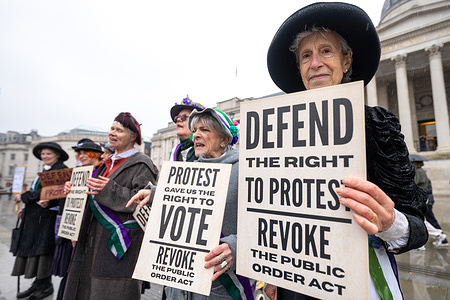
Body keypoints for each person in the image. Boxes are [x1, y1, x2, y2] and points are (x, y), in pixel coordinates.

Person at [265, 2, 428, 299]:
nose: (315, 63)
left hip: (361, 281)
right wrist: (268, 268)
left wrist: (391, 223)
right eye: (305, 55)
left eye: (326, 51)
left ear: (347, 59)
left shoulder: (378, 127)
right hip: (294, 285)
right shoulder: (277, 134)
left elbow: (417, 226)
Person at [127, 108, 251, 299]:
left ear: (224, 140)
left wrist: (234, 245)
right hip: (180, 285)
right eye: (195, 130)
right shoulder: (189, 171)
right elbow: (186, 197)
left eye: (205, 130)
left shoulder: (245, 170)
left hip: (220, 284)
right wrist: (154, 193)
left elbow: (262, 225)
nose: (197, 135)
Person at [63, 112, 159, 300]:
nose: (112, 133)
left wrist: (111, 190)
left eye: (119, 130)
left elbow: (145, 203)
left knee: (111, 291)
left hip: (119, 243)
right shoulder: (106, 164)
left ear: (133, 137)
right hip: (92, 239)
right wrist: (76, 188)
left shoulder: (142, 163)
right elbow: (95, 193)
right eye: (112, 128)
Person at [12, 142, 69, 300]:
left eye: (48, 154)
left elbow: (46, 193)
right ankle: (38, 284)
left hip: (46, 220)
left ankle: (45, 286)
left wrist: (24, 197)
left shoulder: (61, 170)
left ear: (57, 155)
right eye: (43, 154)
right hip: (36, 218)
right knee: (36, 251)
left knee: (43, 251)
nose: (45, 156)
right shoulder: (46, 171)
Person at [54, 139, 104, 300]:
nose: (81, 156)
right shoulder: (77, 172)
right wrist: (68, 189)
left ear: (96, 155)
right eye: (79, 153)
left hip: (90, 229)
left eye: (86, 153)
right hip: (74, 229)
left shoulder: (102, 172)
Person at [410, 154, 448, 249]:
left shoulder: (419, 172)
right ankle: (423, 241)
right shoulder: (420, 171)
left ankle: (442, 238)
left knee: (429, 220)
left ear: (414, 163)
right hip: (424, 200)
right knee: (423, 220)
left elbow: (415, 183)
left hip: (423, 201)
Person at [169, 96, 205, 162]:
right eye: (177, 118)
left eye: (184, 117)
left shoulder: (205, 149)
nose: (178, 120)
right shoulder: (175, 151)